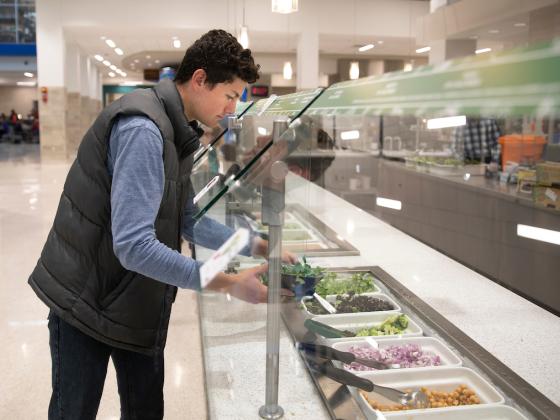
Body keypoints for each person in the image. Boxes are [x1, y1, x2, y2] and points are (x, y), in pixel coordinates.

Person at [28, 29, 296, 420]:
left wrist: (256, 245)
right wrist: (228, 283)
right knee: (75, 411)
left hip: (134, 299)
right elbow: (134, 245)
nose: (231, 108)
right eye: (229, 95)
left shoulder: (177, 128)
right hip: (86, 301)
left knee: (145, 409)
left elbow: (186, 218)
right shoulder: (144, 130)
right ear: (200, 79)